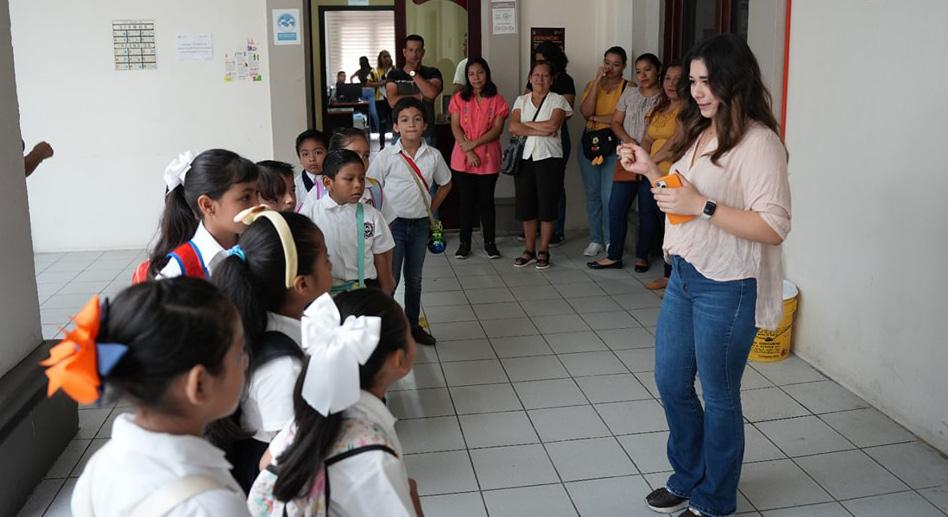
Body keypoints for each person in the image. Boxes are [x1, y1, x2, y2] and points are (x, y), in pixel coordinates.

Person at [618, 33, 791, 517]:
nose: (695, 90)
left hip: (730, 284)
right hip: (686, 274)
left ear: (734, 80)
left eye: (706, 80)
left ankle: (715, 497)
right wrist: (650, 169)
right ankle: (689, 474)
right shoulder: (702, 129)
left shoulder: (759, 143)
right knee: (672, 381)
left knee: (718, 396)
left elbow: (773, 226)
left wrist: (703, 205)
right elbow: (683, 199)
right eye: (692, 80)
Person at [52, 278, 251, 516]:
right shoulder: (210, 507)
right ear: (198, 384)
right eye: (239, 352)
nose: (246, 362)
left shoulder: (99, 467)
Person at [247, 290, 422, 516]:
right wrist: (413, 499)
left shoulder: (313, 415)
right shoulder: (376, 459)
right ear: (400, 360)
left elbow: (266, 464)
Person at [209, 208, 332, 492]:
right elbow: (288, 460)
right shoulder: (283, 368)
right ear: (302, 284)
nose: (331, 264)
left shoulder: (262, 325)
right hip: (268, 485)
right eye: (326, 258)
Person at [367, 98, 452, 346]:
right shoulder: (387, 156)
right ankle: (387, 330)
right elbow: (371, 186)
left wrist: (431, 209)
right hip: (393, 227)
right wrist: (379, 217)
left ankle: (413, 325)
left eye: (417, 119)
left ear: (425, 125)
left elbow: (446, 183)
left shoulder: (433, 155)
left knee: (414, 279)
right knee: (390, 280)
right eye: (404, 120)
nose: (411, 124)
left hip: (420, 226)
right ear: (396, 126)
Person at [588, 53, 663, 272]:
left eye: (648, 70)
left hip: (652, 162)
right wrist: (629, 141)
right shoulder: (630, 93)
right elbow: (615, 122)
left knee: (647, 210)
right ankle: (614, 255)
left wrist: (644, 151)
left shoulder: (664, 98)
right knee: (616, 207)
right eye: (638, 71)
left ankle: (642, 256)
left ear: (658, 70)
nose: (643, 75)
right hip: (628, 158)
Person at [134, 149, 259, 282]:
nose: (257, 204)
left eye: (257, 194)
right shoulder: (178, 271)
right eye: (245, 197)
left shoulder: (258, 245)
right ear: (207, 205)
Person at [509, 61, 572, 270]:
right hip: (525, 158)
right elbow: (513, 127)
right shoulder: (521, 100)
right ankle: (529, 250)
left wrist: (525, 125)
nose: (540, 79)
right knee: (526, 206)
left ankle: (544, 250)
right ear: (530, 78)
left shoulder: (558, 100)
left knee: (547, 205)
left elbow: (553, 125)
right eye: (536, 75)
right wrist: (540, 129)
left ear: (551, 80)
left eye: (545, 76)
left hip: (550, 158)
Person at [310, 150, 396, 294]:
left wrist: (386, 288)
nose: (358, 185)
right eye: (349, 179)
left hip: (366, 289)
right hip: (327, 292)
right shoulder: (311, 214)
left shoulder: (372, 215)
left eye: (361, 179)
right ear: (328, 182)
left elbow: (382, 254)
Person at [449, 57, 509, 260]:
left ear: (487, 73)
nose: (476, 78)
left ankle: (490, 243)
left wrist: (473, 144)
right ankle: (464, 244)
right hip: (463, 157)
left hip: (488, 157)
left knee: (486, 202)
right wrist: (468, 151)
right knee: (465, 202)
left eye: (480, 73)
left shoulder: (497, 99)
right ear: (466, 76)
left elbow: (497, 129)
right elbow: (455, 126)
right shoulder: (459, 98)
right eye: (471, 74)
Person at [578, 46, 630, 257]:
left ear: (624, 66)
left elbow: (621, 118)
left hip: (612, 143)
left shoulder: (629, 87)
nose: (610, 68)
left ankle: (610, 239)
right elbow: (585, 111)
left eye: (616, 64)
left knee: (609, 195)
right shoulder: (592, 84)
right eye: (607, 63)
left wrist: (597, 118)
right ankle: (596, 239)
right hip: (590, 143)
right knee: (592, 194)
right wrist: (598, 81)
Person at [523, 42, 575, 246]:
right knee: (531, 186)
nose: (540, 74)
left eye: (543, 61)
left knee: (554, 185)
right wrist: (539, 126)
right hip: (532, 140)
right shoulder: (534, 79)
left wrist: (529, 124)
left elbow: (563, 116)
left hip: (557, 137)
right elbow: (521, 112)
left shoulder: (565, 80)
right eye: (536, 62)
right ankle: (533, 230)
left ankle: (556, 230)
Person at [299, 128, 394, 224]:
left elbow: (386, 223)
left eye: (366, 156)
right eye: (354, 155)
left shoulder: (374, 188)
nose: (361, 162)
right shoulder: (318, 192)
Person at [385, 34, 444, 144]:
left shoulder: (432, 72)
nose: (414, 54)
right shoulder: (394, 74)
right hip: (400, 135)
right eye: (411, 50)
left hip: (426, 134)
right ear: (404, 52)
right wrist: (419, 96)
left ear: (423, 52)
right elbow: (392, 102)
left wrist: (413, 73)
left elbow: (431, 94)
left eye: (418, 50)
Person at [293, 129, 329, 211]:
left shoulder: (336, 180)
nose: (312, 159)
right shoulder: (296, 186)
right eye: (305, 154)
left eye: (318, 153)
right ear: (300, 159)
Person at [352, 56, 381, 136]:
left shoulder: (367, 71)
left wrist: (354, 85)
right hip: (367, 91)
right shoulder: (371, 70)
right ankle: (377, 131)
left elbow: (351, 77)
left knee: (370, 113)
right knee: (371, 113)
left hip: (365, 91)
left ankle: (378, 131)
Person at [375, 50, 395, 149]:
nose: (387, 59)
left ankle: (395, 143)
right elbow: (367, 83)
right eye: (384, 57)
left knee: (394, 120)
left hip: (393, 98)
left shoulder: (394, 70)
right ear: (380, 59)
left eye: (388, 56)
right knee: (382, 122)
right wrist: (381, 83)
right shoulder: (376, 71)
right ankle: (382, 144)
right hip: (380, 99)